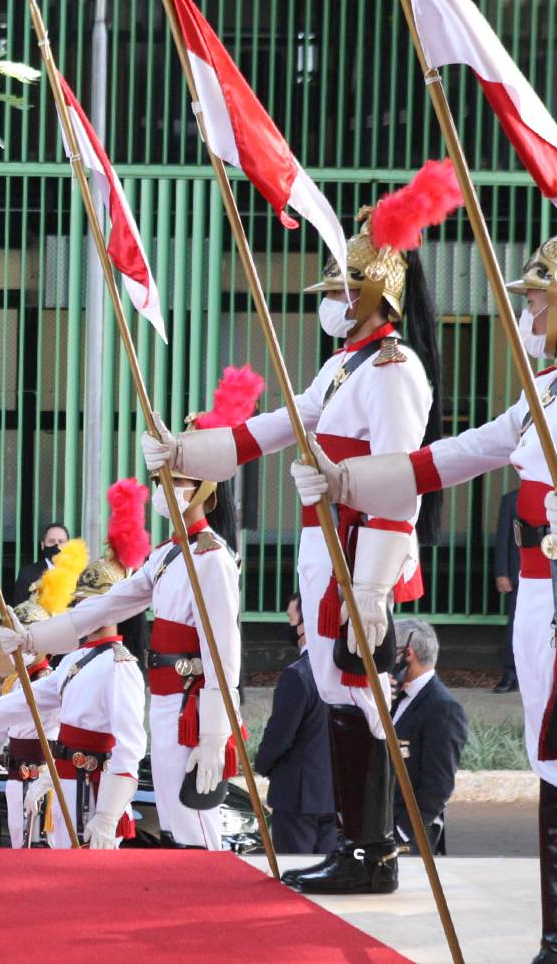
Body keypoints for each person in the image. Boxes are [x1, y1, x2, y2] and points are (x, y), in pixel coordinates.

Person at [292, 101, 557, 960]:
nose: (531, 309)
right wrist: (349, 477)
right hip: (543, 606)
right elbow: (451, 459)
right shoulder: (554, 388)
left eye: (541, 294)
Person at [144, 162, 458, 892]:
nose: (333, 302)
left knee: (360, 695)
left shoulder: (393, 368)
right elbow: (267, 431)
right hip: (324, 546)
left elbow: (398, 482)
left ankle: (371, 849)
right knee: (335, 687)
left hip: (358, 552)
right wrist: (186, 450)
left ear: (377, 295)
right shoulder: (344, 369)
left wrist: (374, 585)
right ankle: (355, 844)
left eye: (346, 290)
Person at [11, 472, 243, 850]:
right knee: (171, 815)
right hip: (167, 696)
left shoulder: (210, 557)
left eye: (176, 480)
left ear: (203, 488)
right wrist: (34, 637)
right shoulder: (168, 554)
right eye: (160, 480)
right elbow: (108, 603)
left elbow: (223, 650)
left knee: (193, 816)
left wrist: (215, 732)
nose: (162, 491)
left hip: (193, 702)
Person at [0, 574, 146, 851]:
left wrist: (108, 815)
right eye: (77, 602)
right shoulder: (74, 660)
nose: (77, 610)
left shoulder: (120, 666)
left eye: (84, 603)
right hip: (64, 785)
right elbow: (21, 703)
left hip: (92, 791)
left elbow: (130, 747)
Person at [256, 596, 338, 855]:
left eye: (291, 619)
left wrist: (262, 765)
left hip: (297, 795)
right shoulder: (342, 671)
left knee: (294, 872)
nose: (290, 625)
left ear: (307, 624)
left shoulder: (297, 674)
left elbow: (280, 735)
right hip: (333, 793)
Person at [391, 620, 467, 855]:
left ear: (407, 654)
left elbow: (438, 786)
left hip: (409, 838)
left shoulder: (443, 708)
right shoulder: (395, 695)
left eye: (390, 652)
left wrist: (400, 833)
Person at [490, 487, 522, 693]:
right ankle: (511, 672)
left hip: (554, 573)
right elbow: (503, 538)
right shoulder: (511, 499)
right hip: (519, 573)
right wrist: (501, 573)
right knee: (515, 626)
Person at [7, 521, 71, 605]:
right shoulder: (27, 574)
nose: (56, 546)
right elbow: (20, 610)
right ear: (42, 545)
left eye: (61, 542)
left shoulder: (80, 574)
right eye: (51, 541)